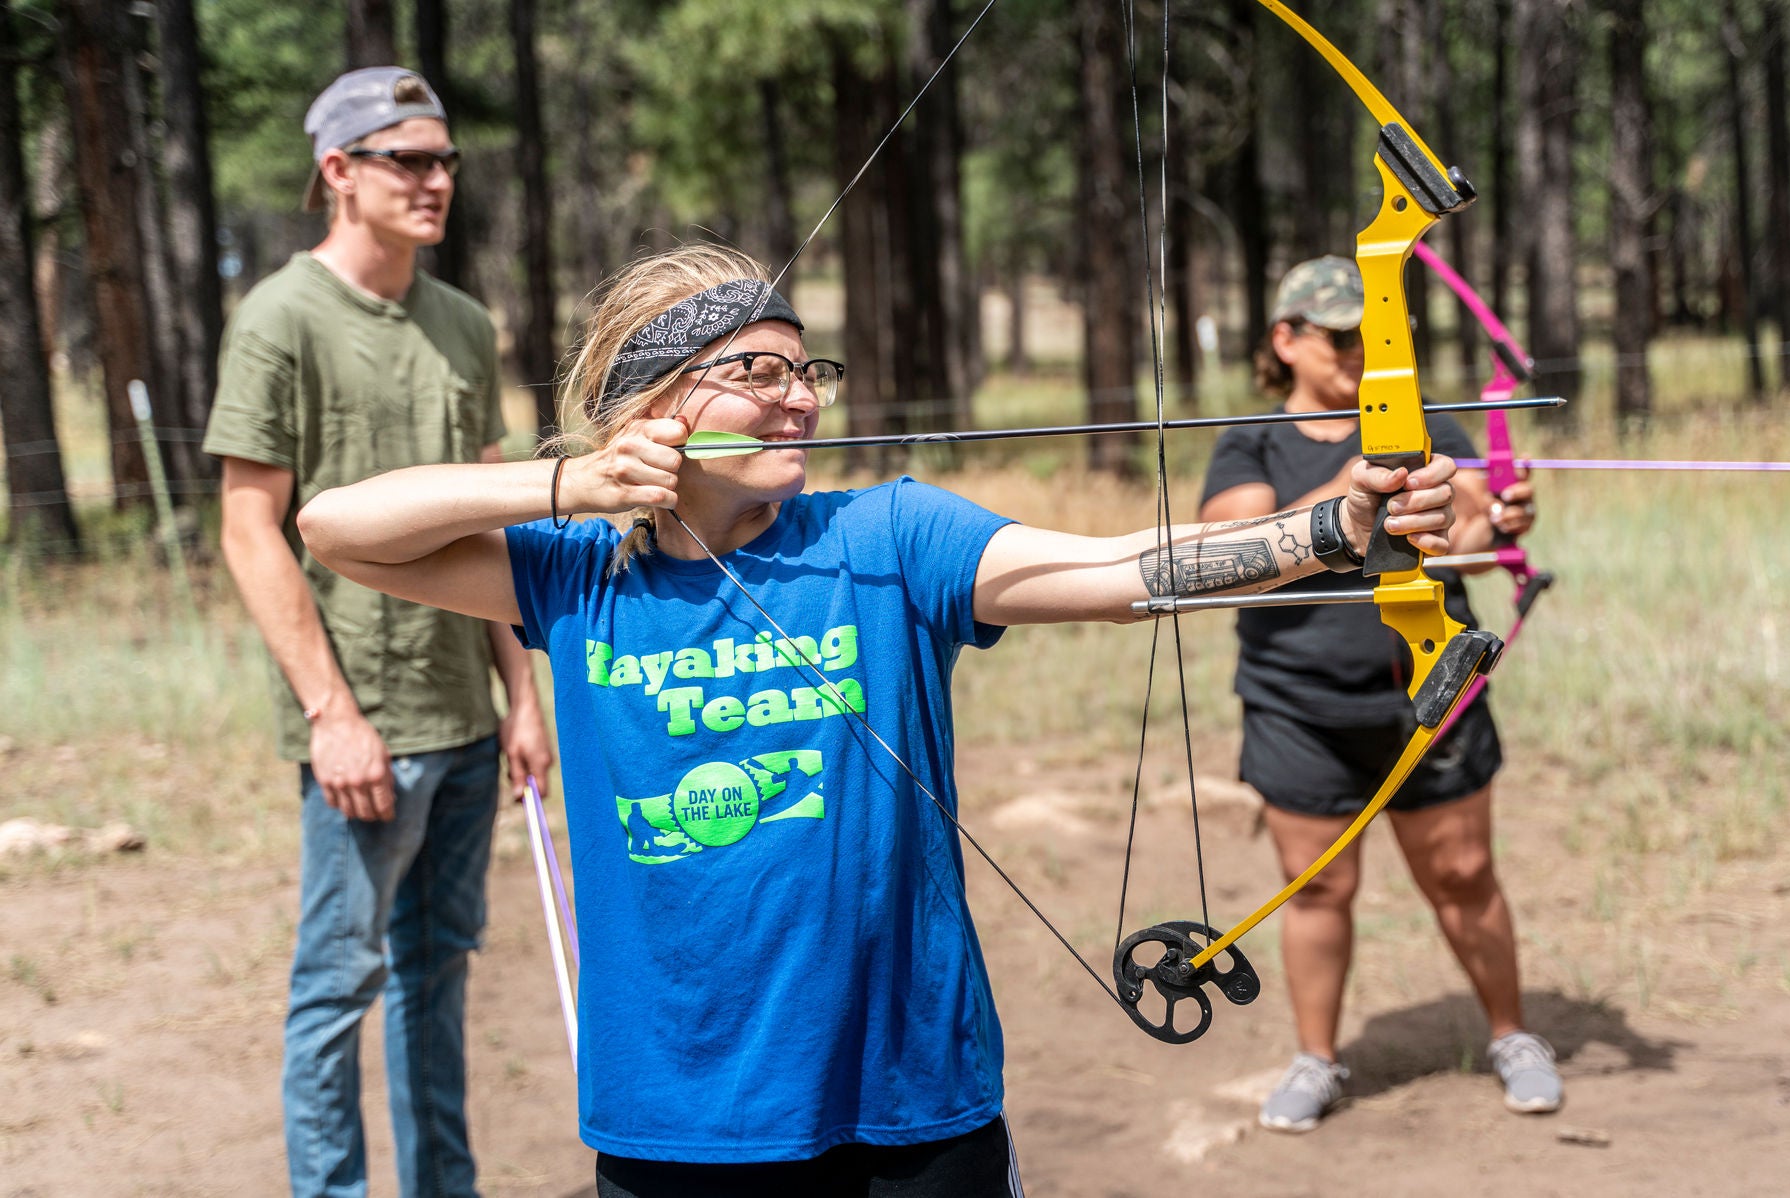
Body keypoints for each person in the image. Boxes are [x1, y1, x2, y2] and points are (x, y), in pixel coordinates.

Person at [292, 243, 1462, 1194]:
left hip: (907, 1095)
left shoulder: (889, 535)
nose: (799, 397)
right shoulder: (574, 569)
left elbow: (1124, 572)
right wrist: (575, 484)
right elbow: (336, 528)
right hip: (678, 1105)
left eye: (807, 371)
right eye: (757, 371)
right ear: (656, 402)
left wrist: (1333, 527)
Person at [204, 67, 554, 1198]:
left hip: (466, 720)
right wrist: (331, 714)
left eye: (445, 159)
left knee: (435, 981)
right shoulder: (278, 318)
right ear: (338, 172)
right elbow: (250, 530)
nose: (436, 179)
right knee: (335, 986)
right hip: (362, 732)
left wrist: (524, 697)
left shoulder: (464, 323)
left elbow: (498, 525)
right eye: (408, 158)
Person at [1197, 256, 1558, 1134]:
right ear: (1286, 339)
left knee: (1464, 874)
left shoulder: (1425, 424)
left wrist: (1499, 519)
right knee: (1316, 887)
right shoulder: (1251, 442)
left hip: (1429, 688)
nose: (1360, 349)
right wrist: (1358, 484)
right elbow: (1224, 546)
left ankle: (1512, 1036)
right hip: (1298, 704)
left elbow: (1468, 526)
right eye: (1339, 335)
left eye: (1375, 333)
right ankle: (1315, 1058)